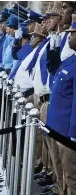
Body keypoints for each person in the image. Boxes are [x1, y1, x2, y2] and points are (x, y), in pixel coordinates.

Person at [46, 14, 76, 195]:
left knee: (72, 176)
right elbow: (54, 68)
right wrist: (54, 44)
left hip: (68, 132)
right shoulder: (72, 60)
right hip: (58, 127)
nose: (69, 37)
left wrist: (73, 134)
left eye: (72, 34)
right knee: (64, 172)